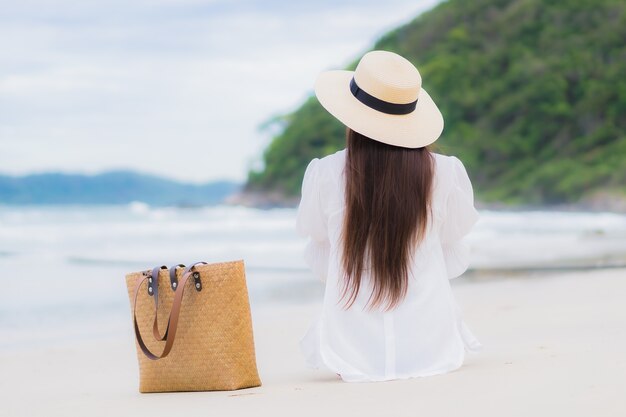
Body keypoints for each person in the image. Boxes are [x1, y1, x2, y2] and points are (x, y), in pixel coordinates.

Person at [295, 50, 482, 383]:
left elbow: (317, 243)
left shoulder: (324, 174)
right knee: (432, 249)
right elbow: (452, 242)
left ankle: (354, 324)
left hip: (351, 352)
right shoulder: (446, 172)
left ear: (352, 116)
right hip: (432, 347)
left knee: (327, 246)